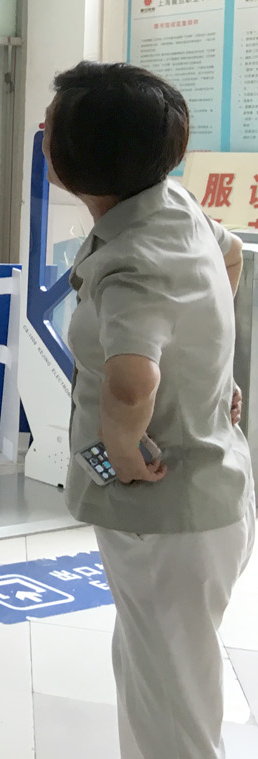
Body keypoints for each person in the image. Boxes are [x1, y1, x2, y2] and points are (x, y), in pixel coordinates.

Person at [43, 61, 254, 759]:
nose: (43, 131)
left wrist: (121, 452)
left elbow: (132, 383)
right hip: (203, 495)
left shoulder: (132, 260)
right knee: (152, 673)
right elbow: (230, 258)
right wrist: (207, 363)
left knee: (174, 708)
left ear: (82, 156)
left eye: (52, 125)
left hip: (165, 513)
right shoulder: (173, 205)